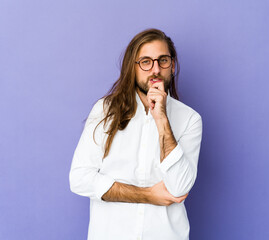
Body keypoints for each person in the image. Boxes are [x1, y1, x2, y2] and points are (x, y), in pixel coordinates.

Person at [69, 28, 203, 240]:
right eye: (146, 62)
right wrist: (148, 195)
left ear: (173, 66)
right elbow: (79, 178)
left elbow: (179, 188)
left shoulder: (189, 119)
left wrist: (161, 119)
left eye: (163, 61)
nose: (155, 69)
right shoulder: (105, 111)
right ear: (133, 67)